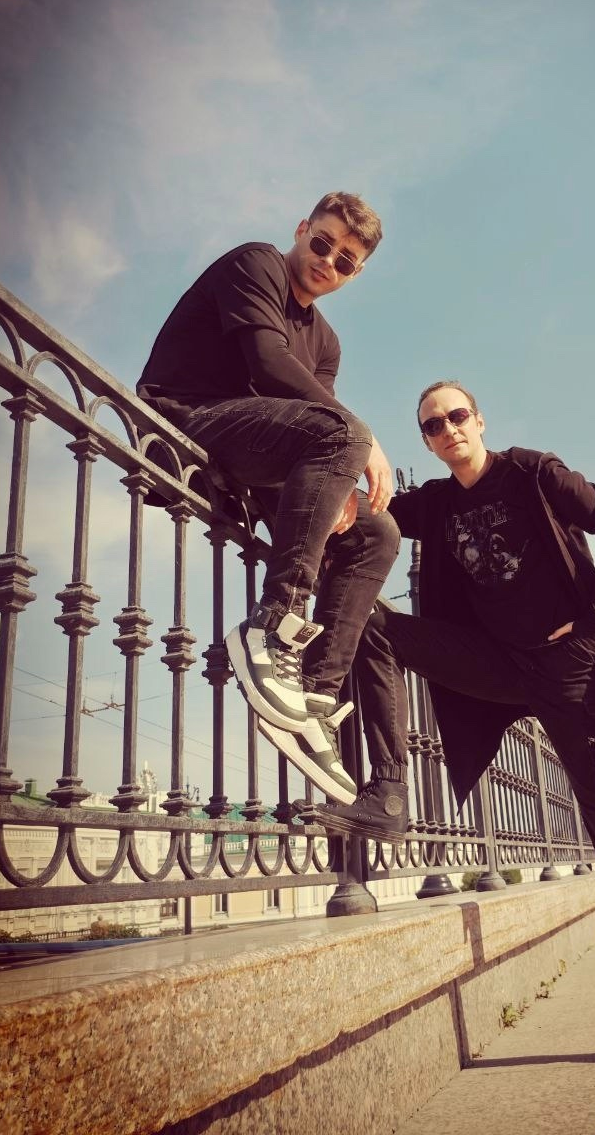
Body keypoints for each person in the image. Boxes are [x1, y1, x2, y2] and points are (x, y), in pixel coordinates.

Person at [309, 379, 595, 1070]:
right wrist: (319, 493)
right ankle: (388, 786)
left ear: (479, 420)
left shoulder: (533, 473)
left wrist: (592, 630)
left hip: (569, 669)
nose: (448, 428)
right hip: (496, 665)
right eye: (433, 425)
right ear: (426, 441)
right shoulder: (436, 502)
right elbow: (366, 509)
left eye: (457, 416)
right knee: (377, 626)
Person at [137, 192, 400, 802]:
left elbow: (310, 413)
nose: (328, 262)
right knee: (347, 435)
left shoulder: (326, 342)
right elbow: (268, 364)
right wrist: (361, 441)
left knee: (377, 534)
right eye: (323, 243)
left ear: (356, 273)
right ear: (302, 229)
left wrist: (339, 477)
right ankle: (276, 628)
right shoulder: (255, 262)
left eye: (346, 260)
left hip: (253, 453)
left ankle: (314, 697)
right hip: (188, 419)